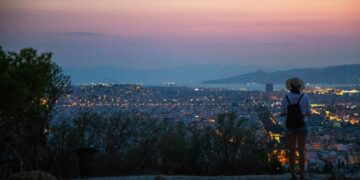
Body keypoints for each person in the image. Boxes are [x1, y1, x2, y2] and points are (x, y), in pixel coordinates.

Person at [281, 77, 311, 180]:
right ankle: (302, 174)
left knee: (292, 150)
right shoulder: (305, 97)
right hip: (302, 124)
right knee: (302, 150)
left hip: (290, 125)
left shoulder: (286, 97)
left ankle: (293, 175)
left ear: (290, 86)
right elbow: (309, 112)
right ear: (300, 86)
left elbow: (283, 112)